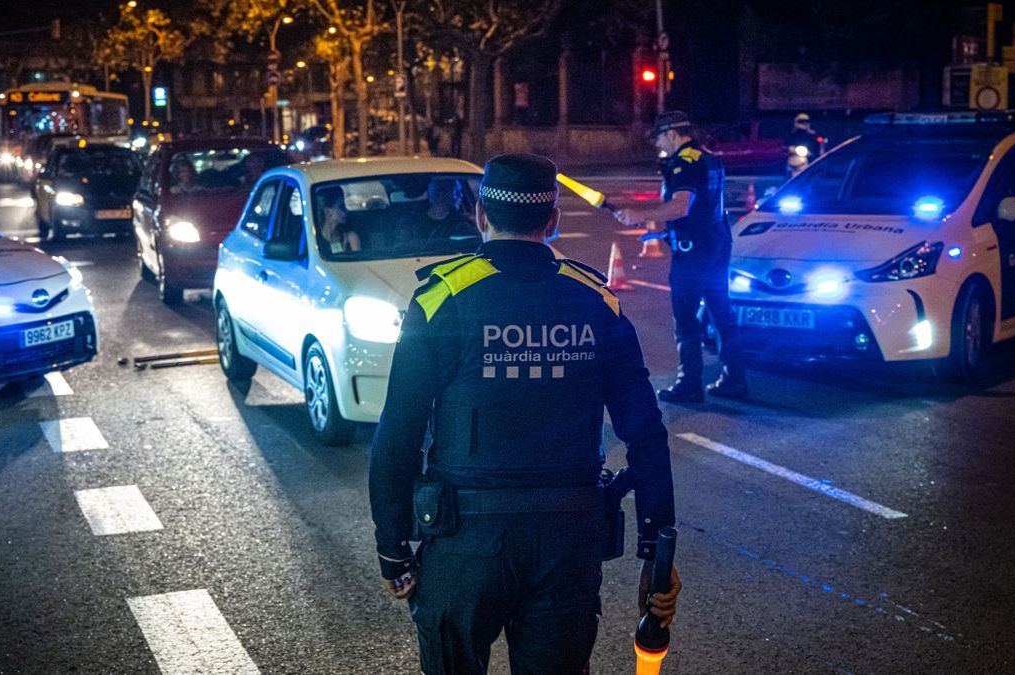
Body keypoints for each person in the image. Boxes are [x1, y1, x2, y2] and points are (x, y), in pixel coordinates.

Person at [370, 153, 681, 674]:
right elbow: (645, 432)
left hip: (463, 540)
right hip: (568, 541)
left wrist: (393, 546)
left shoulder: (442, 299)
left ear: (480, 216)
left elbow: (397, 434)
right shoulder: (596, 302)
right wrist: (657, 547)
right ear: (554, 220)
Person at [612, 111, 748, 402]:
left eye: (659, 137)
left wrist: (641, 215)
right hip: (716, 245)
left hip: (692, 253)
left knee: (685, 318)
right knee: (721, 312)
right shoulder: (708, 158)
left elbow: (682, 206)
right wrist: (663, 234)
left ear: (672, 133)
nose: (659, 144)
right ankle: (734, 378)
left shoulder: (682, 164)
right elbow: (706, 210)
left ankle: (689, 384)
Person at [316, 188, 361, 254]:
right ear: (328, 211)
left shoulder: (350, 237)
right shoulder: (314, 239)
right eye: (341, 207)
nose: (346, 211)